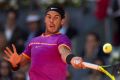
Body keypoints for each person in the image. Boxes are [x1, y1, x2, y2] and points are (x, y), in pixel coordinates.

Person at [3, 5, 84, 80]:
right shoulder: (33, 41)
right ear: (45, 20)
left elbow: (64, 52)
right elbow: (21, 63)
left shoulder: (62, 38)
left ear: (62, 22)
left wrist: (72, 58)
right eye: (49, 17)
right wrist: (15, 63)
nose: (51, 21)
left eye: (56, 18)